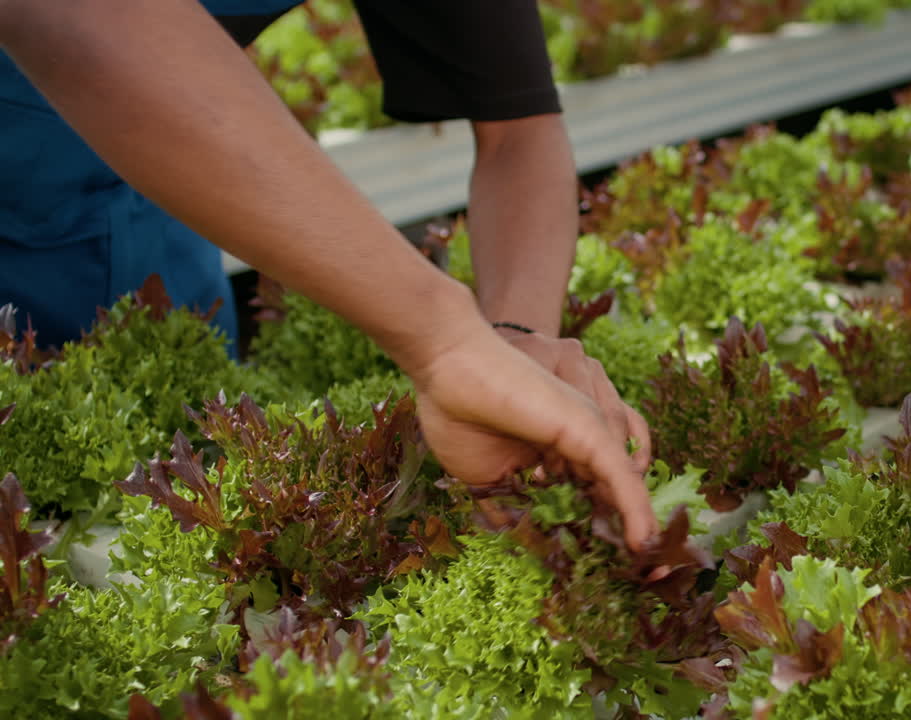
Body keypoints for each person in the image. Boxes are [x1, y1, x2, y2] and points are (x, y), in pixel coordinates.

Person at [0, 0, 659, 549]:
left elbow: (520, 129)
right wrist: (445, 340)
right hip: (57, 116)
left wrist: (513, 345)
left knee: (171, 455)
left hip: (167, 159)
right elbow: (85, 18)